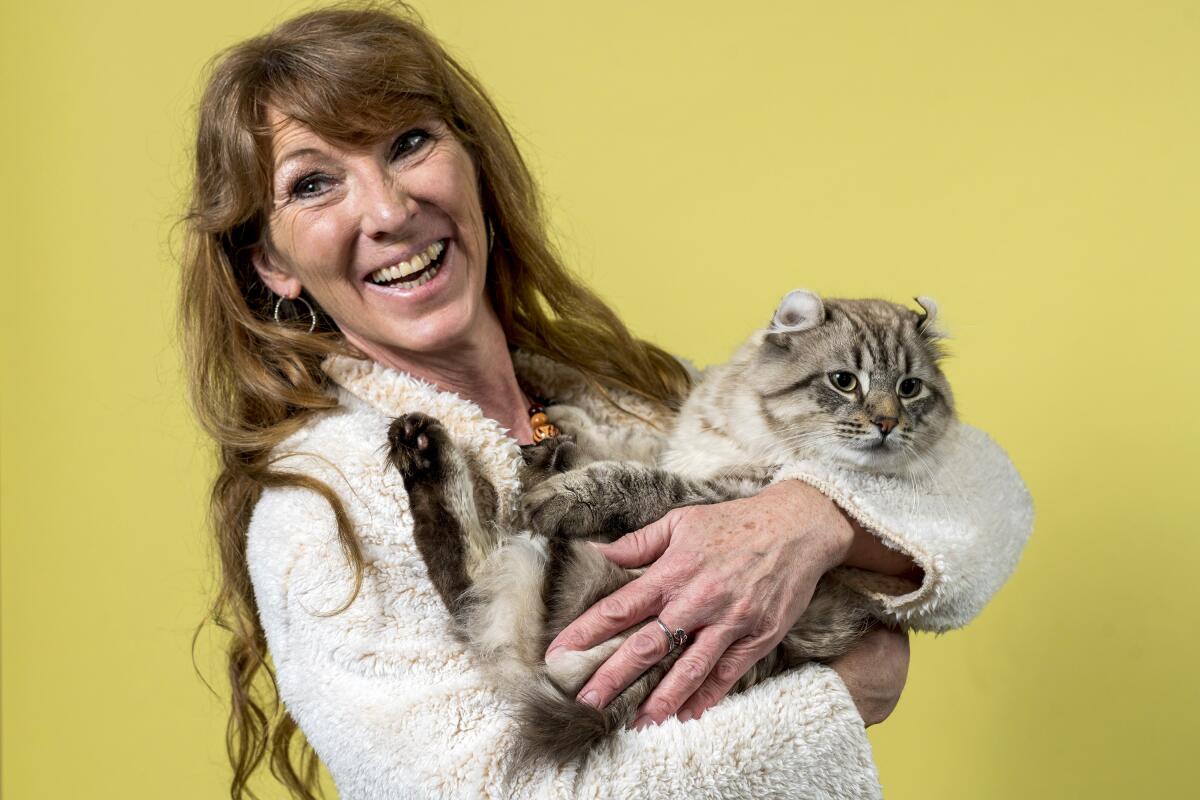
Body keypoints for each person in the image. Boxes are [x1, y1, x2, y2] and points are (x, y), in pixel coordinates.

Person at [180, 5, 1032, 799]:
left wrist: (812, 520)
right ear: (273, 264)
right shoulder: (318, 507)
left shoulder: (622, 395)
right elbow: (489, 791)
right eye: (313, 184)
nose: (391, 209)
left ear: (473, 163)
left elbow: (990, 492)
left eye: (408, 142)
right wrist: (834, 699)